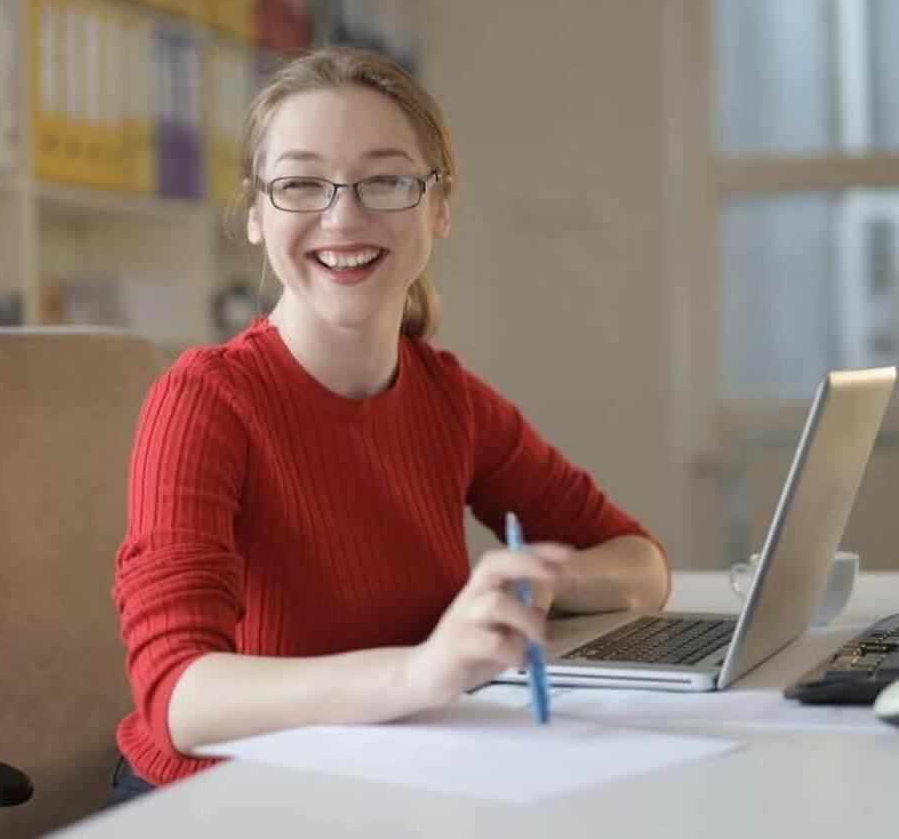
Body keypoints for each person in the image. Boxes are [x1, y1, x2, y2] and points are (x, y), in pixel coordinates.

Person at [108, 46, 670, 804]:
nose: (343, 215)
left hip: (382, 782)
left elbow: (642, 564)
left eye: (386, 181)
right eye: (301, 183)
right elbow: (179, 700)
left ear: (439, 209)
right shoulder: (206, 401)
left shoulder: (450, 400)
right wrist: (422, 673)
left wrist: (539, 582)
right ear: (253, 214)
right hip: (221, 801)